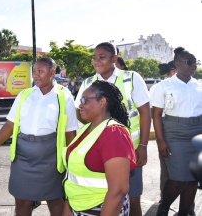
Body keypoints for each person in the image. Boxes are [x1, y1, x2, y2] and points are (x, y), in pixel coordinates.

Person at [0, 57, 78, 216]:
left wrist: (72, 161)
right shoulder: (25, 95)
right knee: (22, 200)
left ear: (52, 73)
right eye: (34, 71)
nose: (35, 75)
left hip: (51, 157)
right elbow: (10, 124)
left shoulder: (64, 96)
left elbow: (70, 132)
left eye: (40, 71)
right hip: (23, 157)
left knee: (55, 199)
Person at [74, 42, 151, 216]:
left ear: (114, 59)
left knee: (132, 199)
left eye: (102, 57)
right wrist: (86, 111)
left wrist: (143, 147)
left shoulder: (131, 78)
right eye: (94, 58)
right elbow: (79, 113)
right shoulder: (88, 82)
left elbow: (145, 113)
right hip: (97, 151)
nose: (97, 62)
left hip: (129, 151)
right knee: (105, 196)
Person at [63, 80, 136, 216]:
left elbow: (118, 190)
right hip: (78, 206)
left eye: (85, 100)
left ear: (102, 102)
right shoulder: (88, 129)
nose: (80, 105)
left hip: (101, 209)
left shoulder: (114, 133)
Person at [151, 47, 202, 216]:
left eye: (195, 62)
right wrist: (161, 141)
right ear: (176, 63)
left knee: (193, 178)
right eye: (189, 62)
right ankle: (164, 207)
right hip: (175, 133)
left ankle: (184, 212)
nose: (193, 65)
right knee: (179, 178)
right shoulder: (163, 86)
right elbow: (156, 115)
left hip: (197, 132)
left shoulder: (198, 86)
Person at [149, 60, 177, 203]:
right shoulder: (159, 87)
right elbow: (154, 113)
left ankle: (187, 206)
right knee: (166, 171)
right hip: (165, 130)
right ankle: (164, 202)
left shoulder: (189, 86)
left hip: (181, 131)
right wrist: (161, 139)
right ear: (173, 70)